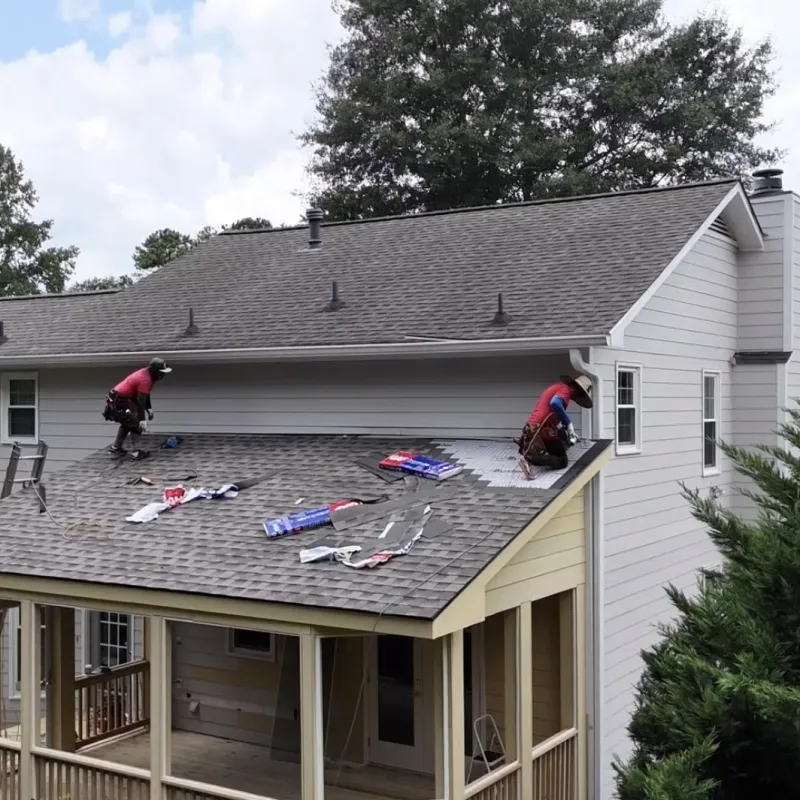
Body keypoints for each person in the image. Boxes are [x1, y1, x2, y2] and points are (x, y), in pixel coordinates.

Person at [517, 375, 593, 476]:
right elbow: (555, 403)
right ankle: (531, 458)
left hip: (531, 429)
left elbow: (549, 410)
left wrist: (564, 427)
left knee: (559, 442)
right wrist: (569, 423)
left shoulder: (556, 387)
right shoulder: (565, 390)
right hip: (541, 430)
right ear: (577, 390)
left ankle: (530, 453)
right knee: (562, 461)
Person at [103, 358, 172, 453]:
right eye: (161, 372)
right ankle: (136, 452)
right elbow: (141, 400)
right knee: (136, 423)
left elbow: (145, 394)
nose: (163, 374)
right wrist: (142, 420)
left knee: (127, 423)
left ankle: (116, 448)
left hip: (122, 399)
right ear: (155, 371)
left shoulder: (149, 375)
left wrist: (149, 408)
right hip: (120, 400)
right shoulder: (145, 379)